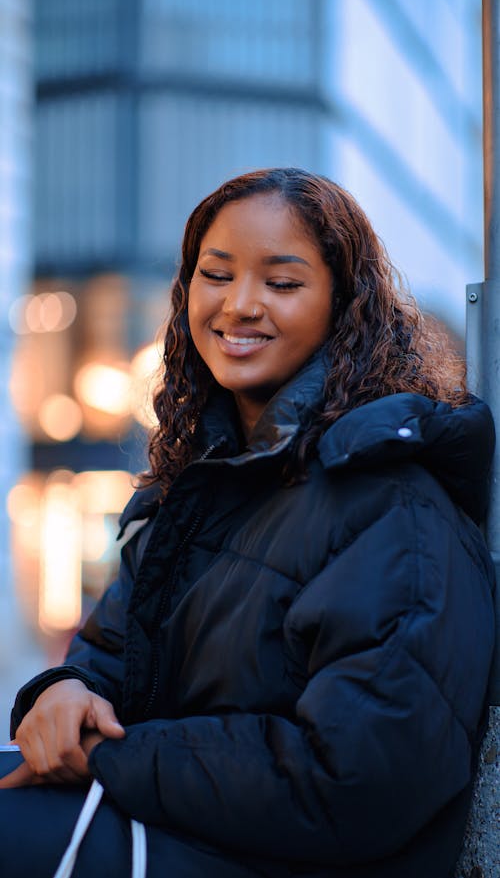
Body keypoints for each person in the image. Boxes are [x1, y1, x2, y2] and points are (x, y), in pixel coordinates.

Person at [0, 167, 495, 878]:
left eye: (283, 283)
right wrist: (63, 693)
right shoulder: (201, 480)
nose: (240, 305)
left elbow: (358, 778)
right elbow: (111, 655)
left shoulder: (394, 504)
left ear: (344, 304)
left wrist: (114, 754)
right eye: (216, 274)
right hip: (181, 830)